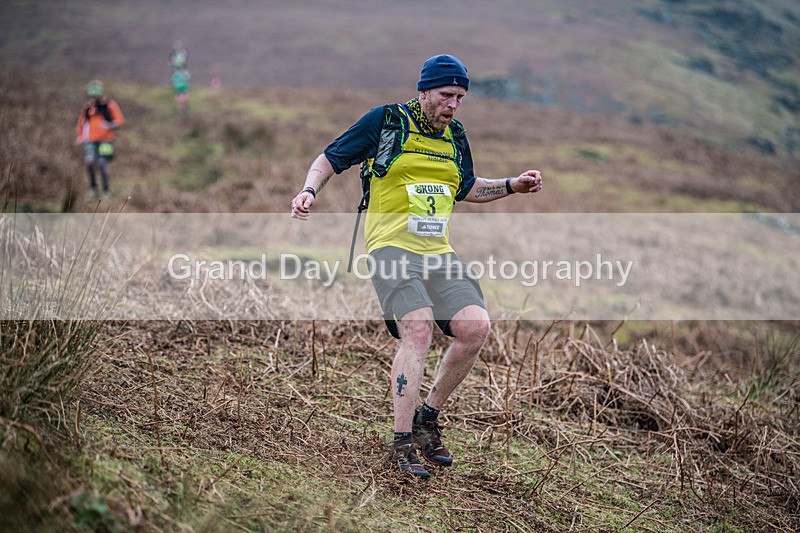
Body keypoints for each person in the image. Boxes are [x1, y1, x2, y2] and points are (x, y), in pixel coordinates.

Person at [290, 54, 543, 479]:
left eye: (460, 97)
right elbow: (329, 158)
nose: (453, 105)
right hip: (390, 248)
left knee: (475, 326)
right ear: (424, 91)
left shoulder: (455, 136)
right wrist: (309, 191)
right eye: (446, 95)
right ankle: (402, 442)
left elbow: (467, 187)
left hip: (437, 253)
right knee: (419, 328)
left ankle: (428, 418)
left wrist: (512, 186)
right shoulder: (386, 121)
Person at [75, 80, 125, 200]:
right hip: (90, 140)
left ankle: (106, 191)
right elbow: (81, 122)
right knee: (89, 162)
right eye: (93, 95)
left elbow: (120, 121)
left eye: (97, 94)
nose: (95, 97)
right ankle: (93, 188)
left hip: (106, 140)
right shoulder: (87, 107)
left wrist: (109, 125)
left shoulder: (110, 105)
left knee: (102, 163)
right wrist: (80, 136)